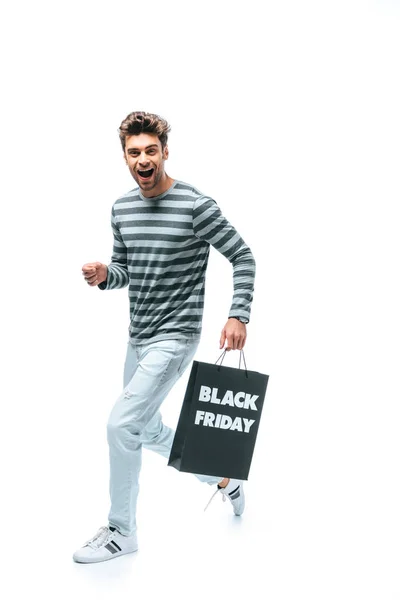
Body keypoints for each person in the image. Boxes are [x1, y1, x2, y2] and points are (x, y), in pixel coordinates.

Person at [73, 111, 256, 563]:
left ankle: (121, 530)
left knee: (120, 425)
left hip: (176, 336)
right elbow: (127, 272)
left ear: (165, 152)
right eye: (134, 152)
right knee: (145, 427)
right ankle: (222, 476)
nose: (143, 159)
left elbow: (244, 256)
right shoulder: (121, 208)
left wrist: (239, 315)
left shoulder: (196, 205)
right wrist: (104, 275)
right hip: (138, 336)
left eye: (150, 150)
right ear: (125, 158)